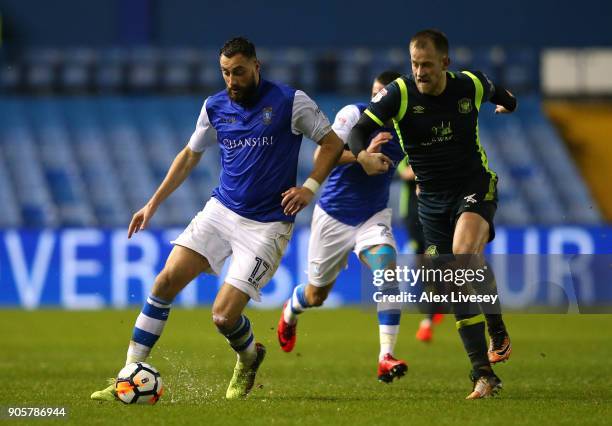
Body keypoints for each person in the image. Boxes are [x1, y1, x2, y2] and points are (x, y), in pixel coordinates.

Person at [90, 36, 344, 401]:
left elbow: (332, 143)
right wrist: (152, 204)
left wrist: (310, 187)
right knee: (164, 283)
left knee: (223, 317)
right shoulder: (214, 107)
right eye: (225, 72)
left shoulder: (290, 101)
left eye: (238, 72)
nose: (231, 80)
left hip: (267, 225)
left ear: (256, 67)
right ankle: (124, 377)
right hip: (221, 211)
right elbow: (189, 155)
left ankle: (248, 356)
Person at [348, 29, 515, 399]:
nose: (419, 71)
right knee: (454, 280)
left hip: (473, 185)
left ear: (444, 63)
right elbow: (359, 130)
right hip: (432, 202)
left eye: (426, 64)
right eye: (414, 64)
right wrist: (362, 156)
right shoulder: (399, 94)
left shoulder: (470, 84)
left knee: (461, 261)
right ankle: (484, 374)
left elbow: (504, 96)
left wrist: (506, 104)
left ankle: (497, 330)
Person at [277, 71, 409, 383]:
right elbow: (322, 154)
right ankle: (290, 311)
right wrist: (362, 156)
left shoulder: (407, 130)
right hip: (332, 218)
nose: (379, 100)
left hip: (372, 217)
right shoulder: (353, 115)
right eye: (376, 93)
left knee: (388, 271)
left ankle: (385, 356)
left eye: (385, 96)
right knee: (316, 295)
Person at [397, 159, 445, 342]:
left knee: (433, 261)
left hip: (432, 216)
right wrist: (431, 170)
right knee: (422, 265)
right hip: (411, 217)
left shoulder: (436, 151)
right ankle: (437, 303)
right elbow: (405, 173)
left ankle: (428, 320)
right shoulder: (407, 153)